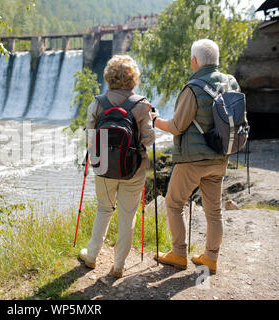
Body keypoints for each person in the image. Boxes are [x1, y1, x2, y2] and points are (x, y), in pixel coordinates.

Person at [150, 39, 240, 274]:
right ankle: (211, 258)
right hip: (221, 157)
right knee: (214, 210)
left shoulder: (194, 87)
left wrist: (155, 121)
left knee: (174, 203)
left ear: (194, 61)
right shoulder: (231, 82)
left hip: (192, 160)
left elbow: (178, 125)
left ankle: (179, 254)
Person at [78, 55, 156, 278]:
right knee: (127, 215)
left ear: (109, 77)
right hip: (133, 169)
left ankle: (91, 256)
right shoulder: (142, 105)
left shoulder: (98, 102)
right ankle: (119, 265)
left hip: (103, 167)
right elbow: (149, 141)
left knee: (104, 209)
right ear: (134, 78)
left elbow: (90, 138)